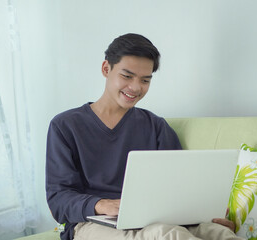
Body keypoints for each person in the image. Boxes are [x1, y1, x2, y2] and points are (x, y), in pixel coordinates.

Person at [46, 33, 245, 240]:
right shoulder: (65, 126)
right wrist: (102, 205)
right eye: (127, 76)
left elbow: (179, 185)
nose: (135, 87)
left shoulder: (155, 126)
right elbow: (58, 199)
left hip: (155, 219)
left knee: (217, 232)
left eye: (145, 80)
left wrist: (206, 214)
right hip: (91, 224)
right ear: (106, 69)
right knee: (166, 234)